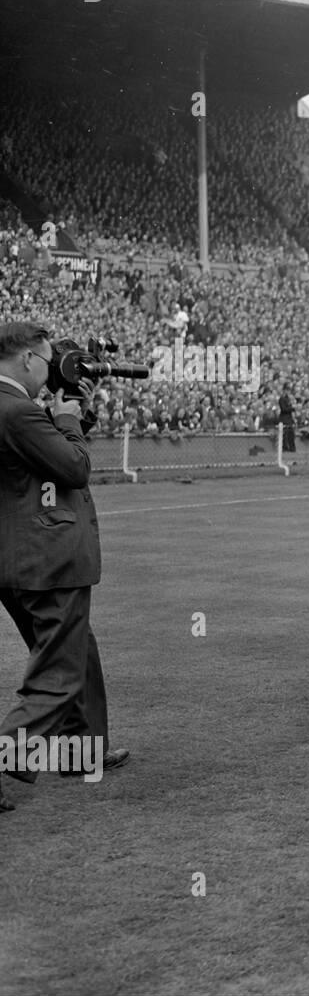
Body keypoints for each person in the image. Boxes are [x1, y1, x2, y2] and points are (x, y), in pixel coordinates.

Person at [0, 323, 129, 813]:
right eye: (48, 361)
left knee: (78, 653)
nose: (51, 369)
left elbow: (45, 458)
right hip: (47, 559)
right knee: (59, 676)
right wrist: (68, 419)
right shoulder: (16, 411)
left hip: (20, 559)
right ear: (29, 359)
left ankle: (82, 751)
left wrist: (74, 413)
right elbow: (73, 467)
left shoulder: (15, 409)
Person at [278, 381, 296, 452]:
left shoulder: (289, 399)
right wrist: (293, 408)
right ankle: (285, 448)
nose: (288, 391)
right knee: (285, 435)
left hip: (289, 419)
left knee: (291, 435)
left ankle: (292, 449)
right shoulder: (282, 399)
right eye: (287, 390)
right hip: (284, 419)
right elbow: (283, 409)